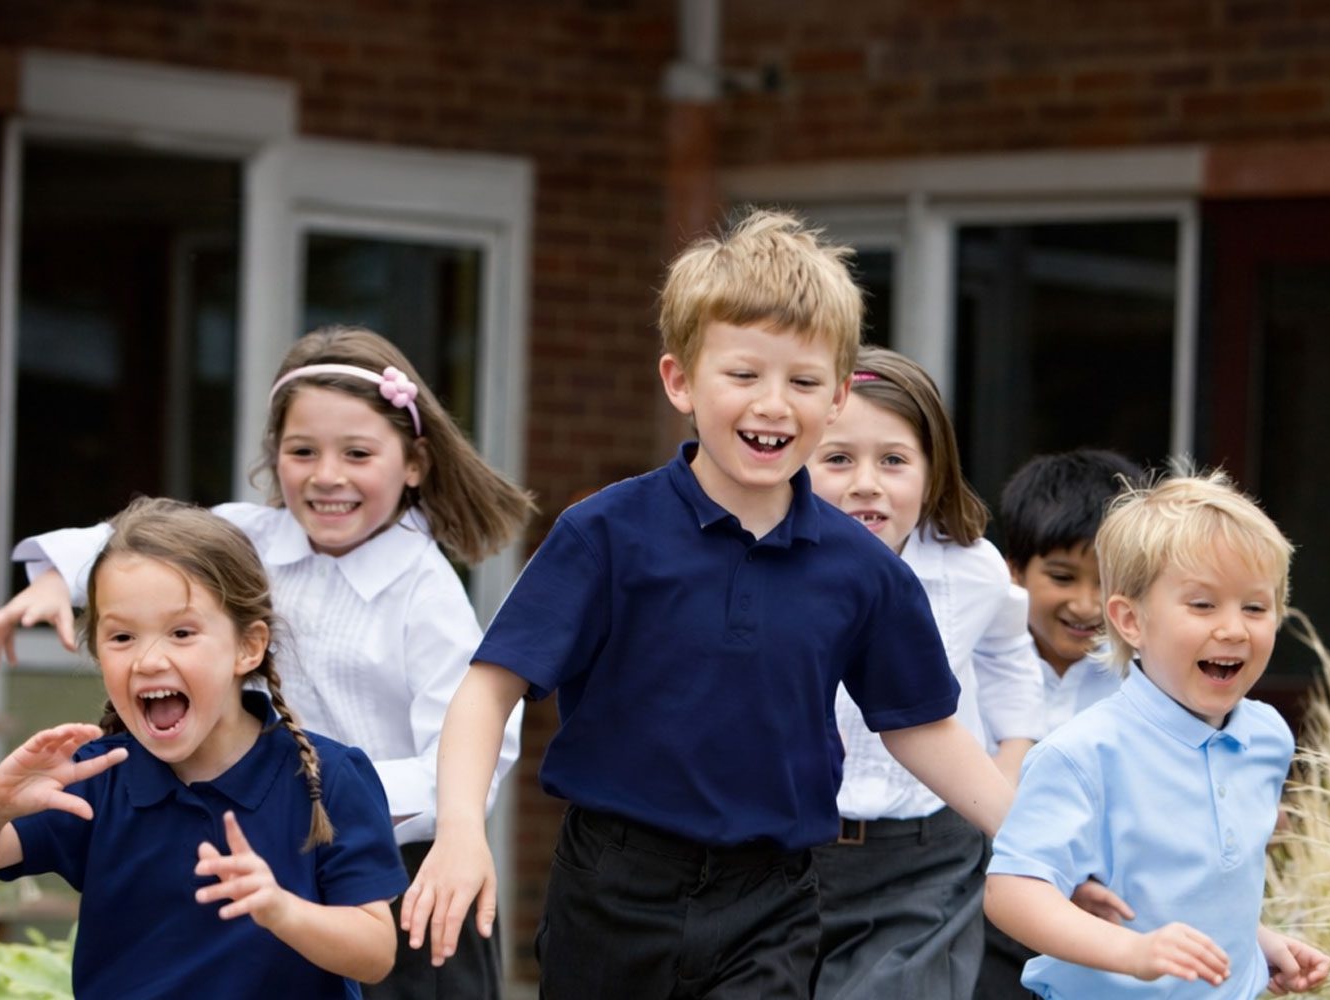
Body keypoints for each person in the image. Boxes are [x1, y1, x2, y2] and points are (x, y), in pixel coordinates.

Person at [401, 209, 1016, 999]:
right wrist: (460, 831)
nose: (774, 404)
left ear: (836, 398)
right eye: (744, 375)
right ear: (680, 380)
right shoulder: (605, 534)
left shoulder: (865, 572)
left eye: (803, 382)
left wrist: (1039, 845)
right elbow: (488, 690)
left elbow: (923, 727)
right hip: (612, 890)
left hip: (773, 900)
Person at [0, 327, 535, 999]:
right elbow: (134, 547)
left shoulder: (427, 589)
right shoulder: (251, 535)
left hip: (404, 872)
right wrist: (52, 580)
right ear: (275, 458)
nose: (327, 475)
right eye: (303, 451)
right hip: (265, 854)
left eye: (357, 453)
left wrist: (322, 797)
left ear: (414, 463)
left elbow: (468, 745)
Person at [0, 497, 410, 999]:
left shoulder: (327, 776)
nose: (148, 660)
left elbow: (375, 953)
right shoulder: (96, 776)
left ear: (248, 647)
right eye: (122, 637)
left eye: (182, 633)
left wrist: (281, 909)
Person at [983, 470, 1330, 998]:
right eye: (1202, 604)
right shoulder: (1083, 753)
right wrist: (1132, 952)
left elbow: (1198, 889)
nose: (1233, 628)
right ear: (1130, 621)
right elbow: (1011, 893)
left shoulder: (1267, 738)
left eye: (1255, 607)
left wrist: (1255, 942)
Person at [804, 345, 1043, 999]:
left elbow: (1008, 655)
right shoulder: (769, 564)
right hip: (790, 852)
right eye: (838, 459)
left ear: (933, 471)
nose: (866, 483)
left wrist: (1011, 756)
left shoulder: (972, 568)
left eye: (893, 460)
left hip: (926, 856)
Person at [977, 446, 1146, 998]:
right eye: (1062, 576)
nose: (1087, 604)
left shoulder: (1148, 680)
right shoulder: (975, 664)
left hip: (1111, 914)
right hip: (984, 907)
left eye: (1107, 581)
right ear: (1014, 571)